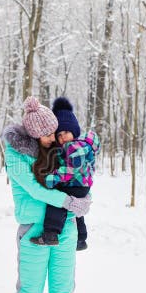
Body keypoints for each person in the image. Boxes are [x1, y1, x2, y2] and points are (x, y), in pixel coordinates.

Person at [0, 96, 92, 293]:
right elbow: (35, 190)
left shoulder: (58, 148)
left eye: (54, 132)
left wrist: (84, 200)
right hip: (32, 230)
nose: (54, 138)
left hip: (65, 228)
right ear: (35, 134)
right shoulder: (16, 156)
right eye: (48, 134)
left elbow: (79, 178)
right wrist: (68, 202)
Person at [30, 97, 99, 251]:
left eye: (66, 132)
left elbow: (70, 170)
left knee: (57, 204)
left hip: (75, 184)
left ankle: (50, 234)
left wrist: (52, 179)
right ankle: (81, 239)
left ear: (74, 131)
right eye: (59, 135)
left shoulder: (75, 147)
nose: (62, 137)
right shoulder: (81, 145)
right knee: (76, 211)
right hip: (82, 185)